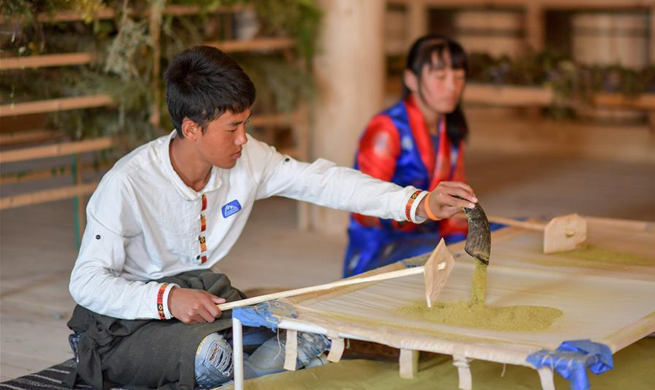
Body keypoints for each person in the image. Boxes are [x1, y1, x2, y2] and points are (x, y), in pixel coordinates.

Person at [65, 45, 478, 390]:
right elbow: (86, 283)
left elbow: (322, 181)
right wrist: (167, 299)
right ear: (191, 129)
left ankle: (243, 368)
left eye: (246, 123)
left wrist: (418, 203)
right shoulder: (127, 183)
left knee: (309, 335)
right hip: (123, 323)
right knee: (213, 360)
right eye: (232, 128)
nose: (244, 139)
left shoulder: (248, 158)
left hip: (204, 297)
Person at [343, 35, 471, 277]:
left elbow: (456, 204)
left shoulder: (451, 132)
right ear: (411, 79)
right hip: (382, 245)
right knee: (431, 252)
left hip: (429, 236)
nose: (452, 87)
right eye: (441, 77)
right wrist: (423, 211)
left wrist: (458, 244)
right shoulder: (387, 129)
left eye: (459, 77)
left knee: (491, 233)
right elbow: (365, 207)